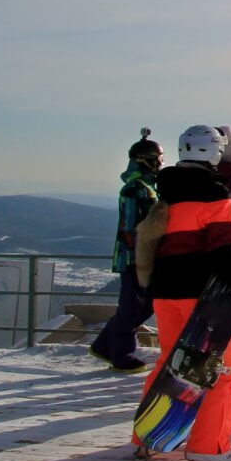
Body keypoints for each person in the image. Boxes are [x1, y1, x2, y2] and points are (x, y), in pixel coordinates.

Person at [132, 125, 231, 461]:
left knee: (168, 363)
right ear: (215, 153)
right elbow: (218, 252)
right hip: (199, 295)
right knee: (219, 368)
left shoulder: (166, 190)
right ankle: (210, 445)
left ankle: (148, 436)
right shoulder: (215, 194)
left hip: (165, 292)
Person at [89, 130, 161, 372]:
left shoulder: (149, 187)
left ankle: (103, 345)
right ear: (146, 160)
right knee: (132, 305)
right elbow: (129, 227)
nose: (161, 163)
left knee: (145, 305)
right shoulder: (133, 189)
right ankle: (122, 353)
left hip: (146, 257)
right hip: (134, 258)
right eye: (158, 158)